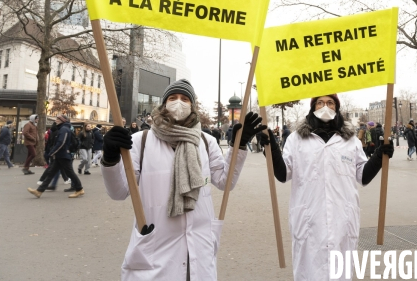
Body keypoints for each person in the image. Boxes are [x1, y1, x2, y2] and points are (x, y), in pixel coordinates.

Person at [100, 79, 266, 280]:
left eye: (185, 99)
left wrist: (239, 145)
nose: (179, 103)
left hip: (199, 246)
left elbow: (225, 181)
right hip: (156, 249)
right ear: (163, 104)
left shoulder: (206, 141)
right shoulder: (141, 141)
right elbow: (119, 192)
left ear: (192, 106)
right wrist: (110, 158)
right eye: (173, 98)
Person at [259, 94, 394, 280]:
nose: (325, 106)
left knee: (341, 271)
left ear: (337, 107)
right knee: (310, 272)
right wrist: (272, 149)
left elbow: (363, 176)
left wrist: (380, 156)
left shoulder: (350, 140)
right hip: (308, 220)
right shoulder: (296, 139)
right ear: (313, 107)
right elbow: (283, 174)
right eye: (320, 103)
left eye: (330, 103)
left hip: (343, 219)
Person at [27, 115, 84, 198]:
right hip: (60, 155)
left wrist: (52, 152)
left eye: (58, 119)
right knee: (51, 173)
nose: (56, 120)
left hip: (63, 155)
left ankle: (79, 189)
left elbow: (61, 142)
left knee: (70, 173)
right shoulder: (62, 128)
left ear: (62, 121)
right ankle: (39, 191)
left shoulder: (64, 129)